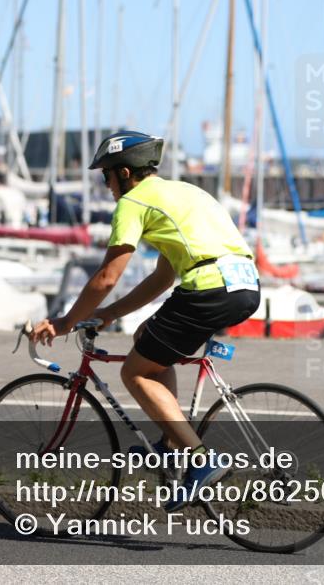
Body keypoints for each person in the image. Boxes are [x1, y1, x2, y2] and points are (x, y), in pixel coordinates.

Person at [29, 130, 260, 511]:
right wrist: (107, 315)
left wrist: (66, 321)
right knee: (147, 339)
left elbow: (107, 277)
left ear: (123, 172)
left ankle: (201, 461)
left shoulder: (133, 203)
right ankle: (171, 445)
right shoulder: (182, 193)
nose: (105, 185)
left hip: (207, 288)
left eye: (106, 176)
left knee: (133, 373)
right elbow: (161, 280)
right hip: (244, 286)